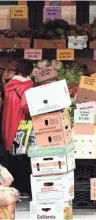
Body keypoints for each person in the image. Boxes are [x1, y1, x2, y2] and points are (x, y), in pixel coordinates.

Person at [2, 59, 34, 198]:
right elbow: (26, 107)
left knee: (11, 157)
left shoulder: (8, 86)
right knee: (22, 158)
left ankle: (12, 187)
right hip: (21, 126)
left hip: (7, 124)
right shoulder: (27, 86)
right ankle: (22, 189)